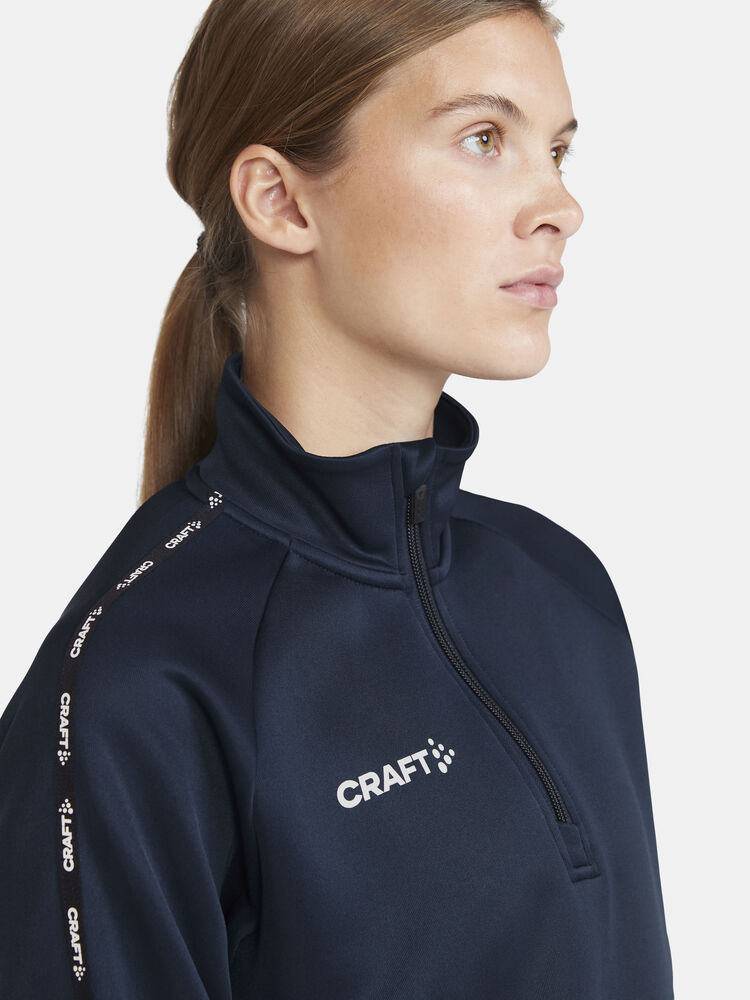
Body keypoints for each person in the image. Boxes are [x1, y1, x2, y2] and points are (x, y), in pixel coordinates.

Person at [0, 1, 675, 997]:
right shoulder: (136, 688)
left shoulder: (563, 590)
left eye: (558, 151)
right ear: (281, 202)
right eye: (485, 139)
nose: (560, 206)